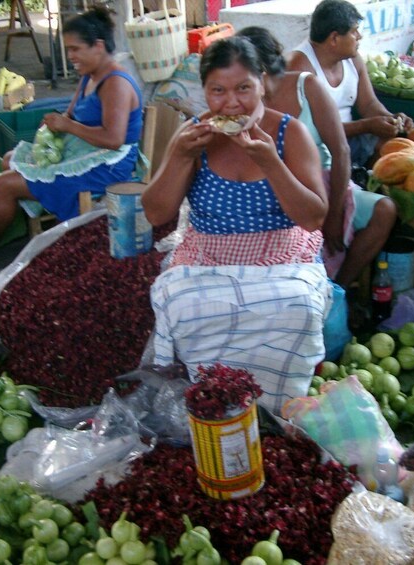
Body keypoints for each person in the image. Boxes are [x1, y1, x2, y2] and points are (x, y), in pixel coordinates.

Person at [142, 37, 329, 412]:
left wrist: (272, 164)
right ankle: (214, 397)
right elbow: (155, 213)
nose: (231, 103)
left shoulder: (289, 133)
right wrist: (180, 155)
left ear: (262, 82)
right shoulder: (194, 136)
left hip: (281, 253)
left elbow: (312, 217)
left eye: (243, 88)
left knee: (299, 306)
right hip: (208, 254)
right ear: (205, 92)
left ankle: (279, 405)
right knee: (181, 302)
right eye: (218, 91)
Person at [238, 26, 396, 290]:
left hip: (323, 181)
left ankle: (339, 289)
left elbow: (341, 150)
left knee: (384, 209)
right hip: (274, 189)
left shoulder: (306, 86)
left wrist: (333, 214)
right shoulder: (241, 100)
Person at [0, 5, 142, 249]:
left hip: (110, 164)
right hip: (87, 149)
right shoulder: (89, 75)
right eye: (68, 49)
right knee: (8, 160)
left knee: (4, 184)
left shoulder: (115, 84)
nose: (70, 56)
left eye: (75, 49)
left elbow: (114, 139)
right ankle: (39, 219)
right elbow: (71, 113)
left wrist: (68, 126)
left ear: (98, 47)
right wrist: (55, 122)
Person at [287, 0, 414, 172]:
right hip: (317, 149)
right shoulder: (299, 67)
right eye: (354, 31)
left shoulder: (353, 59)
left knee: (402, 148)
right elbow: (309, 131)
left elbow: (369, 104)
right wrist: (366, 126)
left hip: (351, 139)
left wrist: (391, 119)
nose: (359, 36)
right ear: (334, 38)